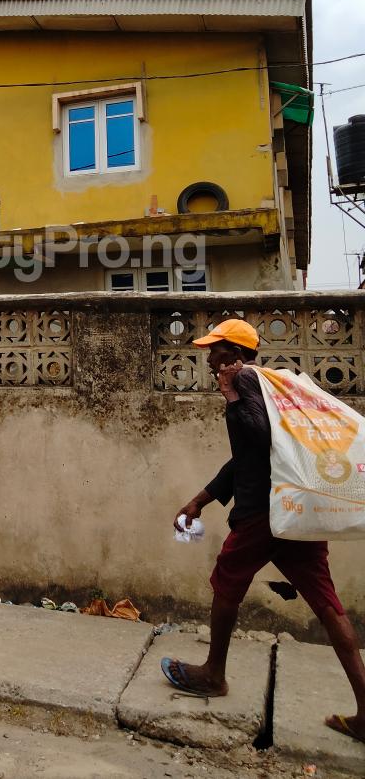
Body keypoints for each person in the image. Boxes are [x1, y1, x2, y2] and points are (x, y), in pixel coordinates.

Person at [161, 318, 365, 746]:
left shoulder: (248, 382)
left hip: (263, 516)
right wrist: (202, 498)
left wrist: (233, 396)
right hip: (292, 512)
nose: (209, 357)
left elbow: (256, 435)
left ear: (233, 352)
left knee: (226, 582)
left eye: (215, 349)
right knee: (328, 605)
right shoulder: (271, 386)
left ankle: (214, 674)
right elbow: (248, 458)